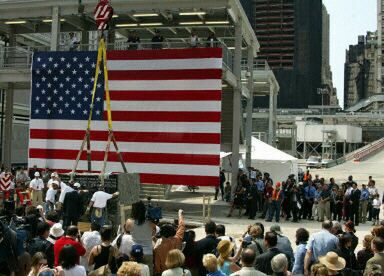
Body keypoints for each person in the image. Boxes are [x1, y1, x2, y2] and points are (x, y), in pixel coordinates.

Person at [125, 201, 156, 275]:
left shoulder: (129, 222)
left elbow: (127, 229)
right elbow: (154, 232)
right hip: (148, 252)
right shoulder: (150, 223)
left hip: (135, 252)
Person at [154, 210, 185, 275]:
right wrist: (180, 214)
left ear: (162, 235)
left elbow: (157, 267)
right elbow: (182, 225)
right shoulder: (177, 239)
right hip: (179, 271)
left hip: (165, 273)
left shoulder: (158, 249)